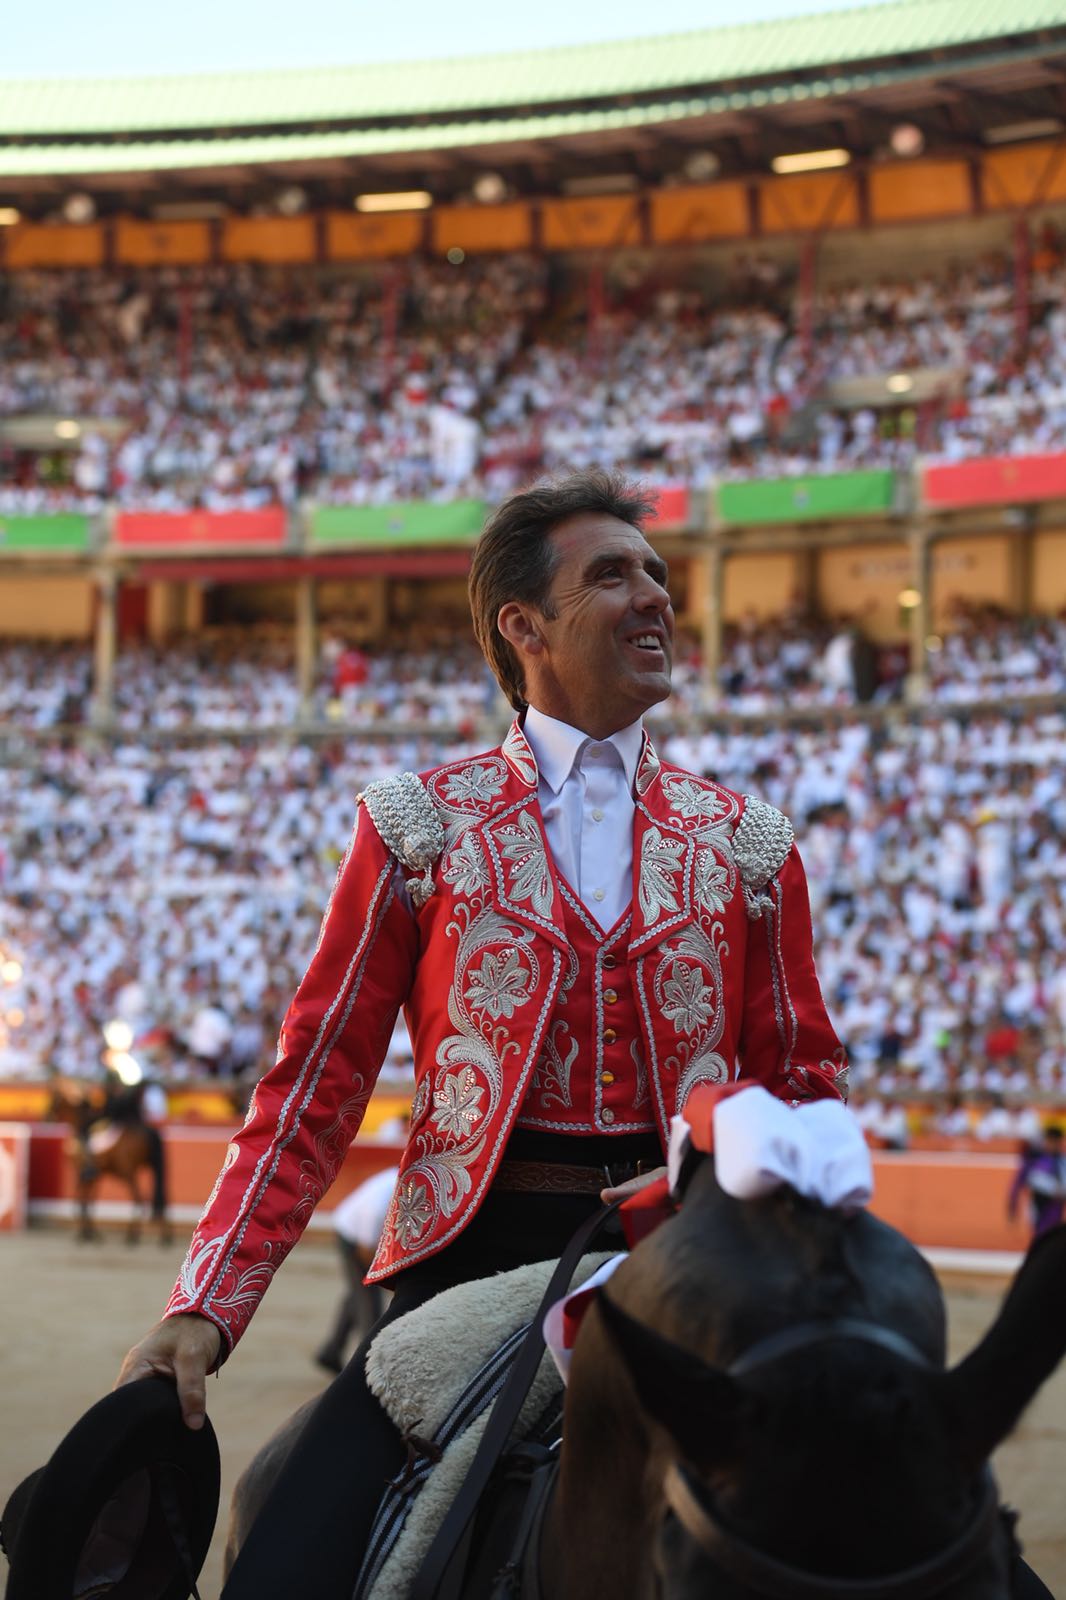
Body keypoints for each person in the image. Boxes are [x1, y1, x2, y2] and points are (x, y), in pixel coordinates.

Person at [117, 469, 846, 1600]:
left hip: (693, 1258)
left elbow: (806, 1085)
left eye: (656, 573)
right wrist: (206, 1305)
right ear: (524, 627)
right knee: (288, 1568)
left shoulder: (748, 843)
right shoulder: (419, 826)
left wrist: (764, 1220)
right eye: (613, 574)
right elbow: (315, 1083)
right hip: (469, 1271)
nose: (655, 595)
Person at [314, 1163, 399, 1374]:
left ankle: (331, 1352)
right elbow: (365, 1249)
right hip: (352, 1235)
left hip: (355, 1228)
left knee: (358, 1294)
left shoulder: (398, 1182)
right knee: (369, 1302)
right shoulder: (383, 1200)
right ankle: (366, 1368)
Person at [1008, 1124, 1066, 1240]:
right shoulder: (1035, 1160)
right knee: (1041, 1234)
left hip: (1056, 1206)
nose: (1053, 1144)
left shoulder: (1063, 1161)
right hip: (1039, 1203)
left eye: (1056, 1141)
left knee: (1053, 1235)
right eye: (1051, 1141)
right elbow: (1019, 1182)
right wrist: (1013, 1204)